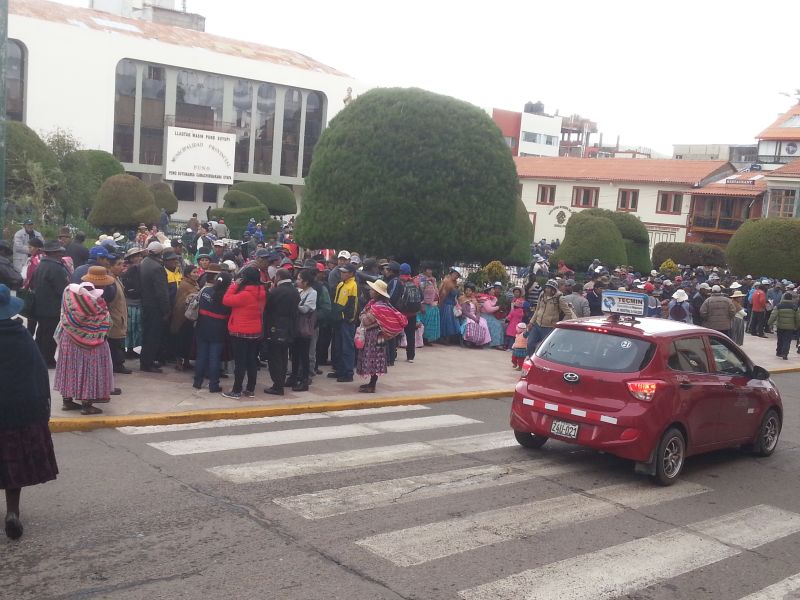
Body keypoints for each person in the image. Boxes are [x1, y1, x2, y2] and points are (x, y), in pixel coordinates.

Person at [0, 284, 58, 540]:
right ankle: (12, 512)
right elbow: (39, 374)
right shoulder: (21, 336)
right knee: (13, 465)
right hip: (19, 415)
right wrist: (43, 408)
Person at [54, 282, 116, 415]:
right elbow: (109, 325)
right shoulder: (99, 311)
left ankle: (67, 401)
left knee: (69, 369)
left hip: (68, 341)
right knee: (89, 370)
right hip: (92, 346)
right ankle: (87, 405)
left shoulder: (69, 310)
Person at [222, 267, 267, 399]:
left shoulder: (245, 295)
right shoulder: (261, 292)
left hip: (240, 331)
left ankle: (236, 390)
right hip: (255, 330)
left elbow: (226, 300)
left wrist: (235, 285)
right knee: (252, 360)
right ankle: (250, 389)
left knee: (240, 362)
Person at [356, 279, 406, 393]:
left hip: (374, 336)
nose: (370, 291)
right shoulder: (382, 305)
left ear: (377, 293)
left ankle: (372, 385)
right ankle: (371, 383)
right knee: (376, 358)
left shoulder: (377, 307)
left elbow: (365, 320)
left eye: (372, 290)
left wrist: (363, 314)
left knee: (373, 358)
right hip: (379, 335)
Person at [31, 241, 71, 368]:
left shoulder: (41, 265)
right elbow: (63, 289)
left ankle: (39, 357)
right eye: (59, 251)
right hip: (52, 307)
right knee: (50, 336)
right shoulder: (56, 268)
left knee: (42, 332)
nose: (61, 253)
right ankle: (47, 360)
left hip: (40, 306)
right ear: (53, 253)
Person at [193, 268, 231, 393]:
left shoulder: (206, 291)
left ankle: (197, 382)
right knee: (214, 358)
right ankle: (213, 385)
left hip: (202, 327)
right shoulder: (227, 298)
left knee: (201, 356)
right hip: (218, 330)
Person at [263, 268, 299, 396]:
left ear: (278, 277)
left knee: (275, 358)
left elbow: (267, 308)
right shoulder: (295, 291)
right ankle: (280, 382)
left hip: (276, 328)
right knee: (284, 357)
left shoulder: (276, 292)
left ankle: (277, 385)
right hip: (290, 328)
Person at [138, 242, 171, 373]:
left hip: (146, 303)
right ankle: (147, 363)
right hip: (155, 306)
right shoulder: (157, 267)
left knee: (148, 334)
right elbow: (161, 292)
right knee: (153, 335)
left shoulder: (145, 262)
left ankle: (146, 360)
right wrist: (166, 309)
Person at [527, 279, 575, 355]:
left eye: (550, 288)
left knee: (545, 348)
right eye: (546, 288)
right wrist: (531, 322)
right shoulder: (542, 295)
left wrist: (559, 324)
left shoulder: (559, 298)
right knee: (530, 344)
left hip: (549, 327)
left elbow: (568, 313)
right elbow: (537, 309)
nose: (547, 290)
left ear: (554, 289)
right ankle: (531, 359)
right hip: (537, 324)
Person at [286, 269, 316, 392]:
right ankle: (293, 377)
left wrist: (294, 305)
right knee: (294, 354)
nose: (297, 281)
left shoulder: (312, 293)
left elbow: (307, 309)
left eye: (299, 279)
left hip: (304, 328)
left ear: (306, 281)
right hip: (295, 327)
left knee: (304, 355)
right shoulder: (298, 290)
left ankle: (304, 380)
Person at [329, 263, 359, 382]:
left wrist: (348, 319)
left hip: (346, 322)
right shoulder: (341, 284)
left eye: (345, 272)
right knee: (338, 346)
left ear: (351, 273)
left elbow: (353, 305)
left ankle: (348, 372)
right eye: (341, 271)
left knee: (347, 347)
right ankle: (340, 370)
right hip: (338, 320)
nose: (342, 273)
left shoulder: (353, 285)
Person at [171, 265, 200, 371]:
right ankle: (179, 362)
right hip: (182, 317)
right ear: (188, 274)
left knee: (188, 340)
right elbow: (180, 301)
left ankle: (186, 361)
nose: (196, 274)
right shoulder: (184, 285)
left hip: (190, 317)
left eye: (197, 272)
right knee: (181, 339)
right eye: (194, 272)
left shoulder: (194, 283)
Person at [768, 293, 799, 360]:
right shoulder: (795, 307)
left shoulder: (779, 305)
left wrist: (769, 323)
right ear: (791, 298)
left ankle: (779, 352)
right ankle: (785, 354)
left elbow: (773, 315)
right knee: (787, 341)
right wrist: (797, 326)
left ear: (784, 298)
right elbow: (798, 318)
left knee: (780, 340)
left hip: (780, 326)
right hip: (790, 327)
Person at [415, 263, 440, 345]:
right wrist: (420, 304)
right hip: (423, 303)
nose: (430, 271)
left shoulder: (433, 279)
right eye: (429, 269)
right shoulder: (419, 279)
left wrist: (434, 283)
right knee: (423, 322)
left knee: (430, 323)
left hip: (431, 303)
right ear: (424, 270)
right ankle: (422, 338)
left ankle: (427, 339)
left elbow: (436, 291)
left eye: (431, 269)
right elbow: (418, 292)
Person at [460, 283, 491, 347]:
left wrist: (477, 318)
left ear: (472, 292)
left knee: (483, 323)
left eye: (470, 290)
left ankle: (478, 342)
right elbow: (465, 312)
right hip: (466, 316)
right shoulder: (462, 298)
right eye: (467, 290)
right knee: (470, 323)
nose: (468, 292)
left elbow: (478, 310)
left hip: (474, 316)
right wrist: (474, 319)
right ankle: (468, 341)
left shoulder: (474, 299)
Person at [438, 269, 462, 344]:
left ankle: (448, 339)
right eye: (455, 274)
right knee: (446, 322)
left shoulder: (455, 283)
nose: (456, 276)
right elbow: (443, 294)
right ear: (451, 273)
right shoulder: (447, 281)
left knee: (451, 322)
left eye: (458, 275)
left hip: (452, 304)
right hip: (446, 305)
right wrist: (440, 304)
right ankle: (444, 338)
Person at [481, 282, 506, 350]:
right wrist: (498, 307)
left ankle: (499, 343)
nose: (494, 291)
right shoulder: (485, 299)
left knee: (499, 324)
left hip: (490, 316)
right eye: (492, 290)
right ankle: (495, 343)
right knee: (495, 325)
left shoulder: (492, 299)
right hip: (486, 316)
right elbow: (489, 310)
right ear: (489, 292)